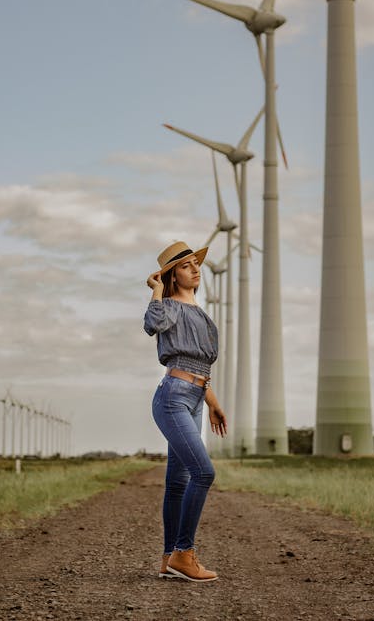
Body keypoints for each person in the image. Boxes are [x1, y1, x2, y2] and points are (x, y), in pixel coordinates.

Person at [144, 240, 227, 582]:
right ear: (172, 277)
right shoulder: (168, 307)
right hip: (173, 397)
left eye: (196, 263)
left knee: (178, 481)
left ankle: (168, 560)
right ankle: (184, 553)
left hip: (195, 396)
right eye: (186, 265)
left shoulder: (202, 315)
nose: (195, 269)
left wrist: (213, 402)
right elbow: (152, 323)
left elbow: (200, 367)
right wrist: (156, 288)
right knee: (204, 473)